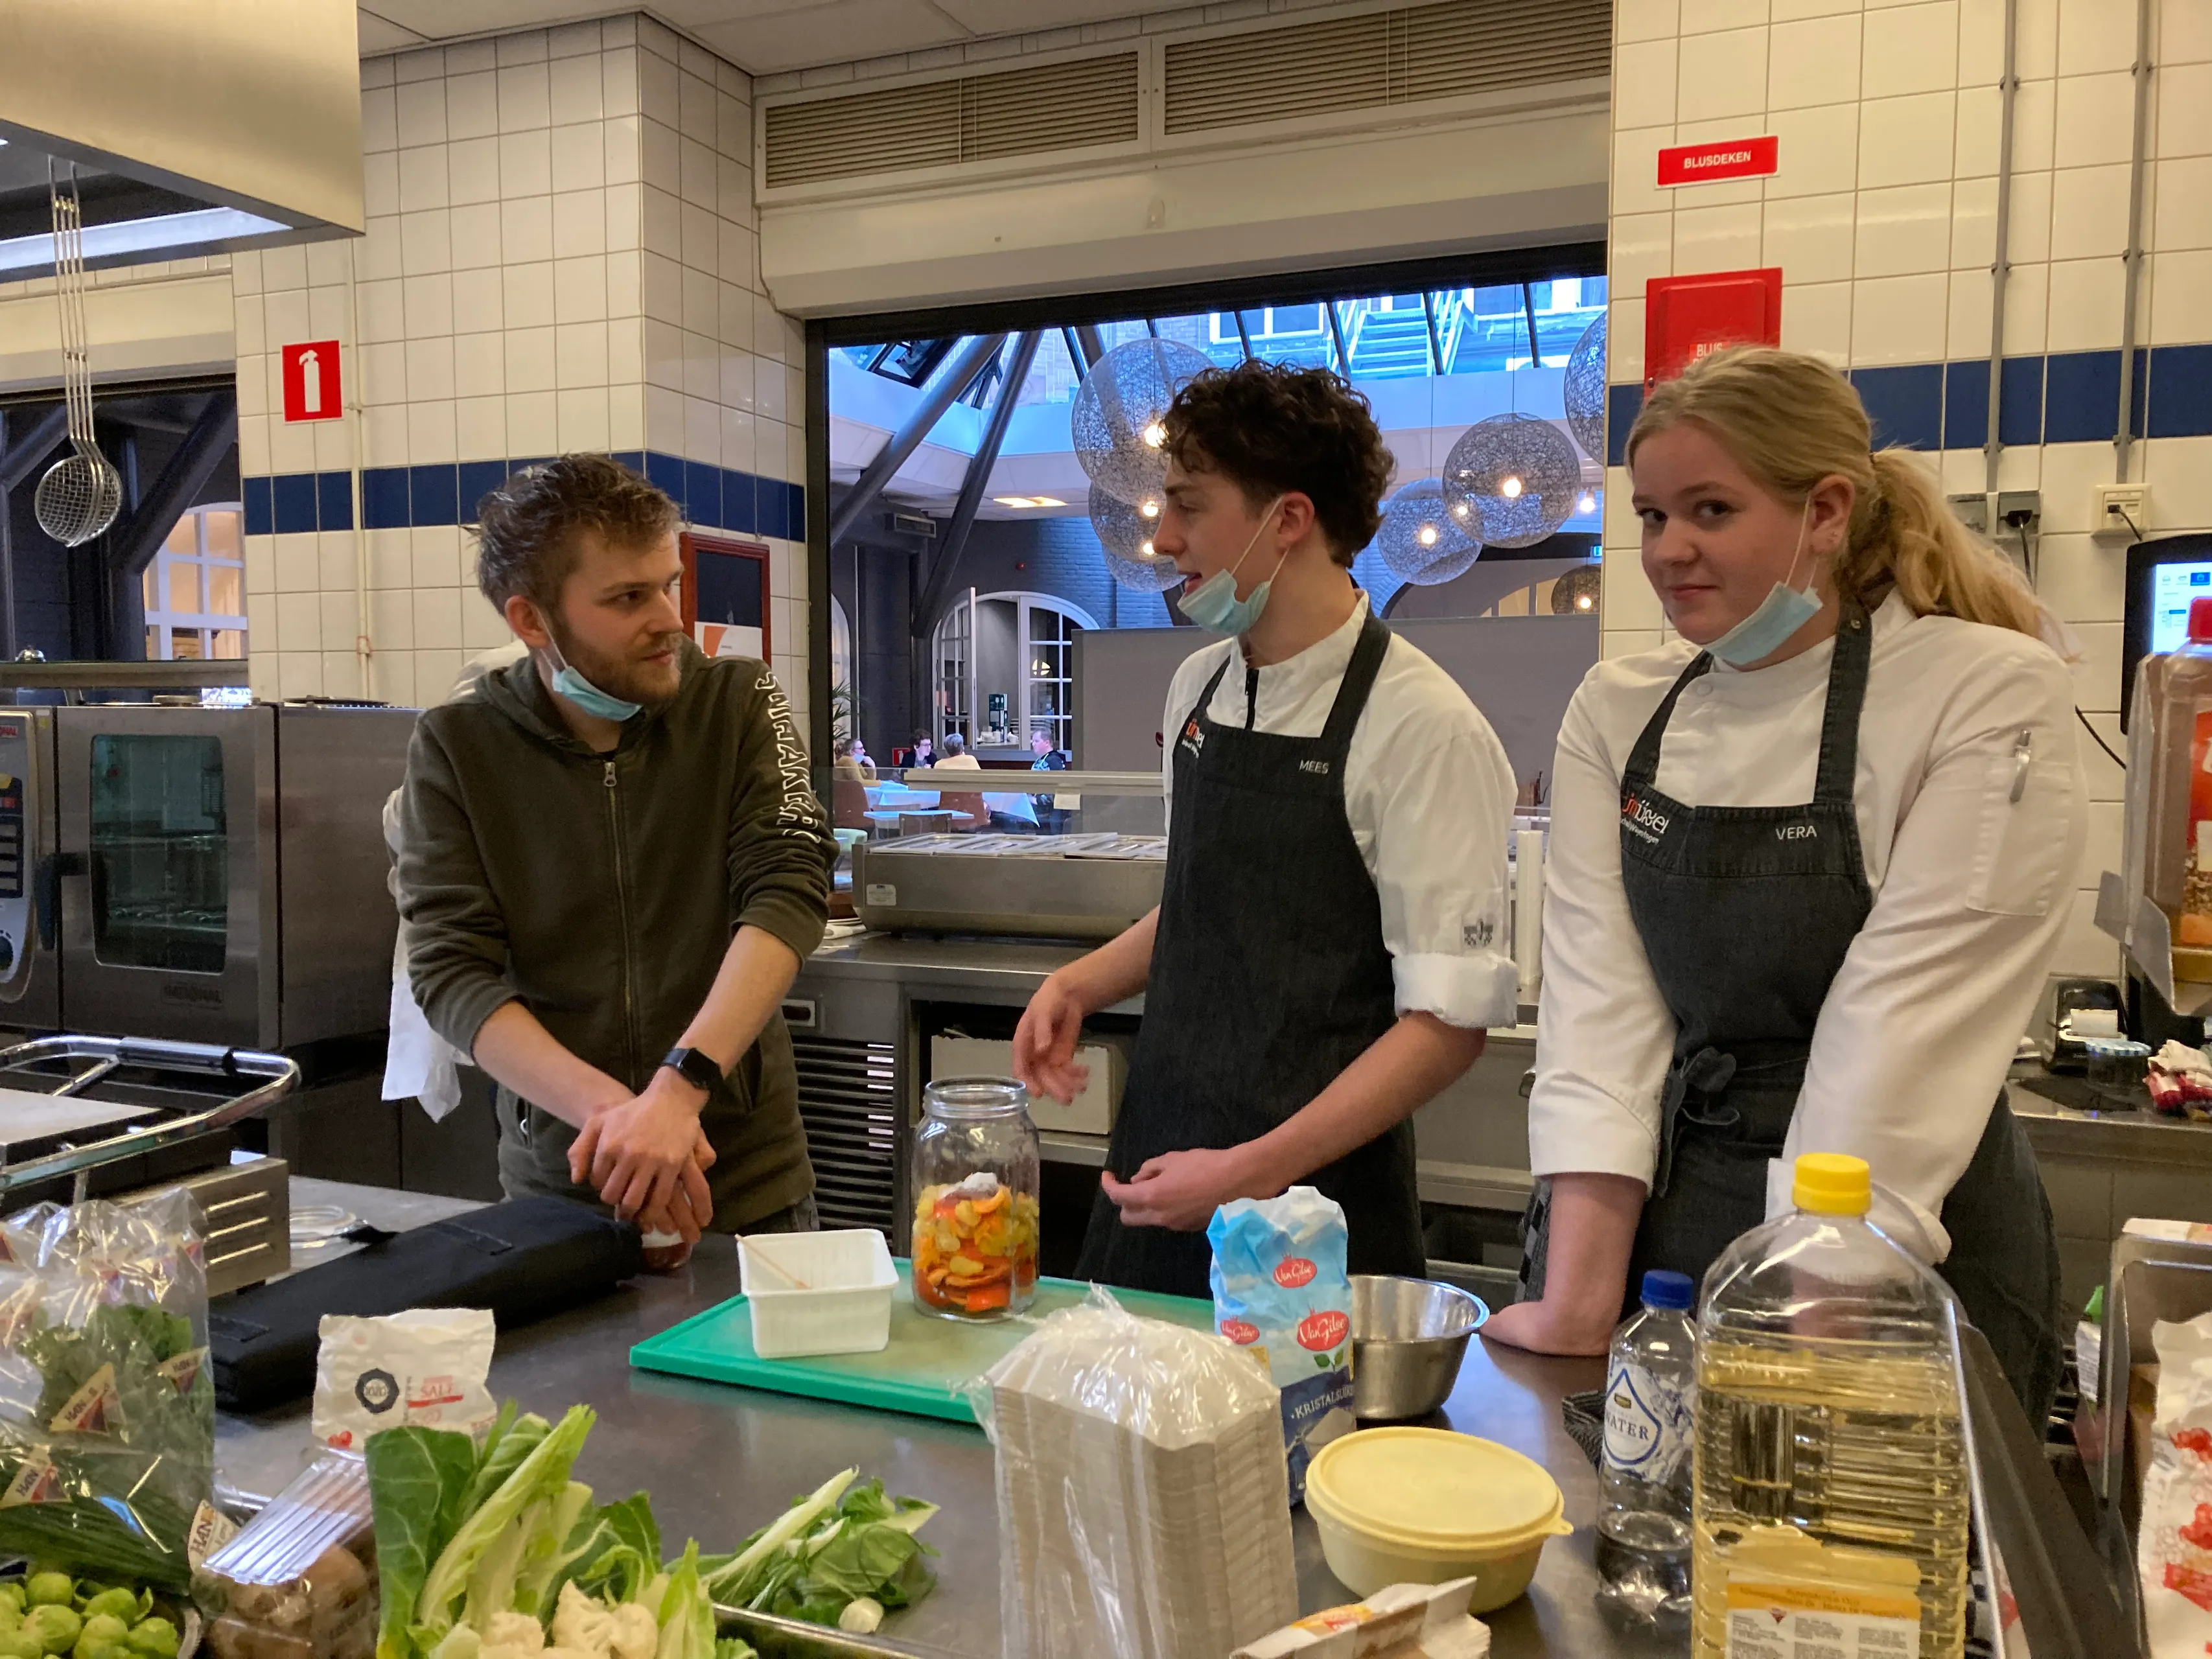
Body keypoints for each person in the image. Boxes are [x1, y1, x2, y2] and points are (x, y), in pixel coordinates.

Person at [1482, 347, 2086, 1424]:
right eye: (1651, 515)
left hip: (1896, 1242)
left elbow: (1901, 1027)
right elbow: (1601, 1006)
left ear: (1825, 509)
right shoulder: (1617, 711)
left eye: (1709, 510)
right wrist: (1577, 1299)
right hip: (1670, 1221)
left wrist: (1814, 1317)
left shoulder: (1979, 689)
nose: (1669, 551)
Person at [1012, 360, 1520, 1298]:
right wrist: (1079, 982)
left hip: (1315, 1216)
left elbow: (1447, 1027)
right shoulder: (1198, 684)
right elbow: (1212, 901)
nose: (1162, 540)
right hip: (1165, 1163)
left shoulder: (1423, 727)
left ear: (1288, 520)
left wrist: (1248, 1171)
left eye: (1188, 507)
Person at [395, 455, 837, 1247]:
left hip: (744, 1187)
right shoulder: (458, 748)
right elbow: (449, 970)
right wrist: (622, 1122)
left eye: (668, 583)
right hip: (562, 1188)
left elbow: (789, 886)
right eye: (628, 597)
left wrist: (680, 1088)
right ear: (532, 621)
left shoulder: (740, 702)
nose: (668, 617)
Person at [1030, 726, 1070, 832]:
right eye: (1033, 741)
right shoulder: (1042, 759)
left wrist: (1037, 800)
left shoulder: (1054, 761)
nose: (1033, 744)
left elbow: (1058, 787)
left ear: (1047, 743)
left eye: (1037, 741)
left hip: (1051, 812)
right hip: (1041, 809)